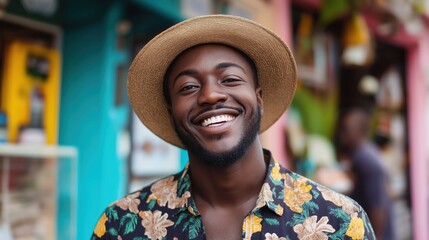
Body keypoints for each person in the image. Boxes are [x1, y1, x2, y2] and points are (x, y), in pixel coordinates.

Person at [91, 15, 375, 240]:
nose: (210, 95)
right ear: (171, 113)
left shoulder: (339, 222)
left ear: (259, 98)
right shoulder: (123, 225)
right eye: (188, 87)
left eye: (230, 79)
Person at [338, 109, 394, 240]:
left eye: (346, 129)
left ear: (359, 130)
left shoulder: (366, 159)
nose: (342, 134)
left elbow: (378, 207)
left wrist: (375, 237)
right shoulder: (362, 154)